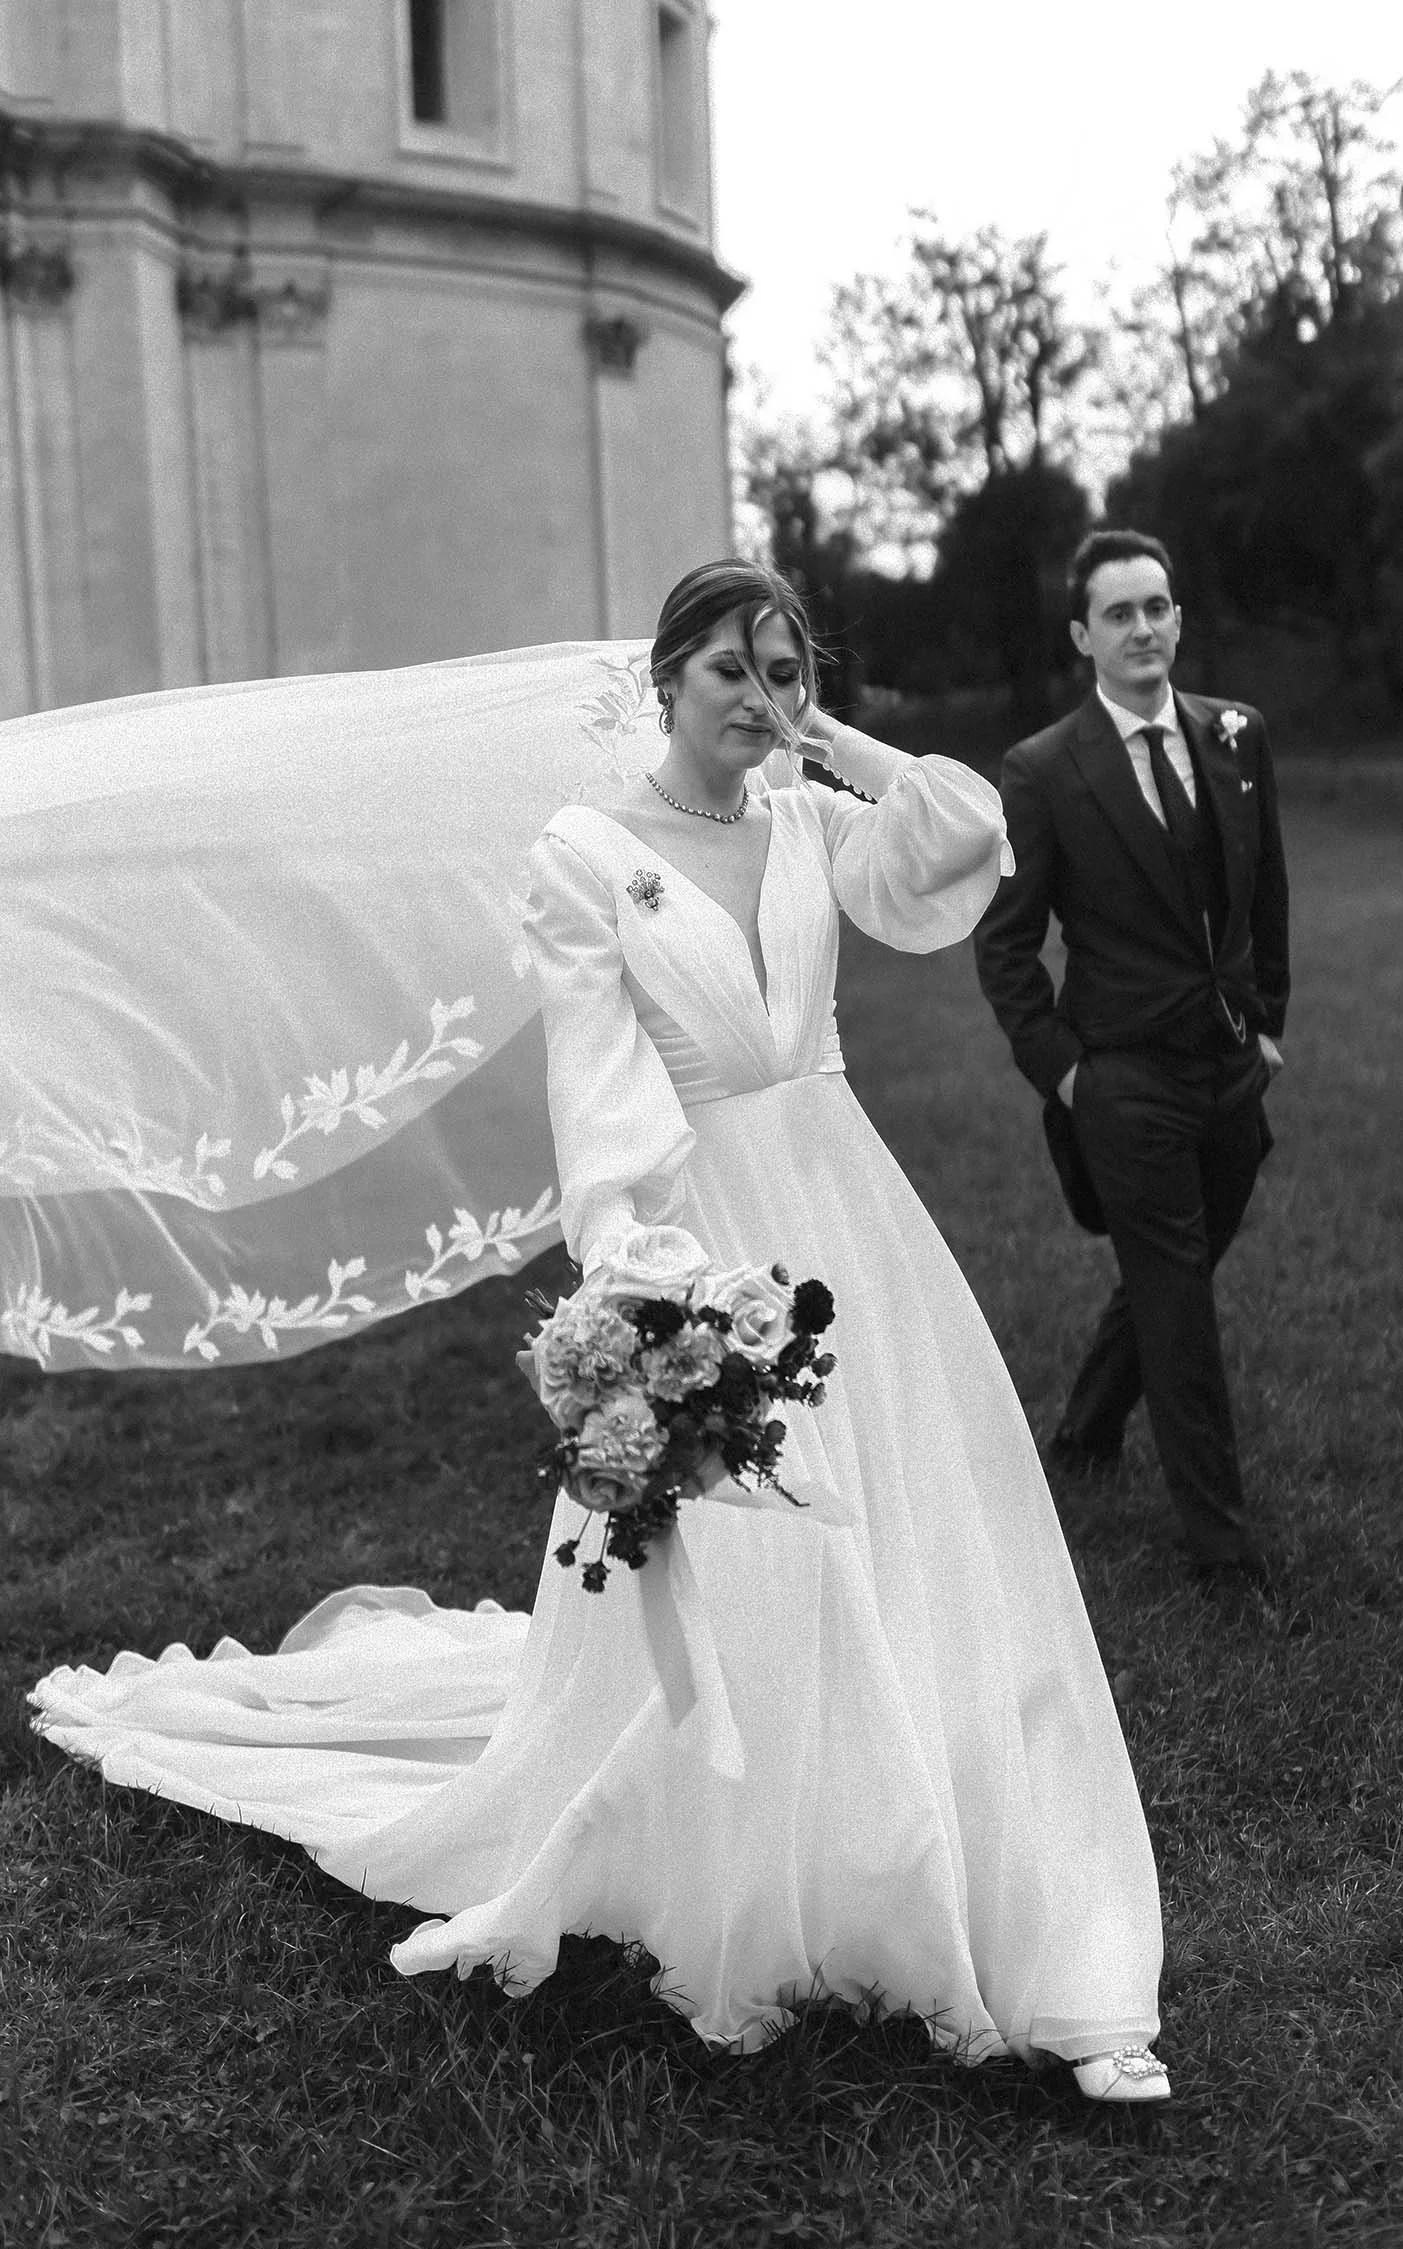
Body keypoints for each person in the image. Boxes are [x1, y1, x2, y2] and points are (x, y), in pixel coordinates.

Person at [27, 561, 1168, 2102]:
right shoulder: (584, 853)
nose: (759, 703)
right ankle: (761, 1858)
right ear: (665, 680)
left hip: (853, 1210)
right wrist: (645, 1278)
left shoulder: (815, 820)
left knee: (912, 1519)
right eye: (733, 677)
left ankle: (987, 1871)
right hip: (707, 1216)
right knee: (765, 1542)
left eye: (784, 673)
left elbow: (966, 837)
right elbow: (596, 1073)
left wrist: (833, 741)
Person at [974, 529, 1290, 1589]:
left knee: (1184, 1263)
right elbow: (1006, 943)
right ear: (1082, 636)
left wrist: (1270, 1018)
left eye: (1157, 606)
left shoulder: (1238, 737)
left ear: (1179, 618)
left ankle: (1088, 1428)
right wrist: (1068, 1071)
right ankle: (1224, 1552)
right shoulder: (1045, 769)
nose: (1143, 627)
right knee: (1177, 1298)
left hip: (1232, 1063)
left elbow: (1266, 897)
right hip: (1123, 1079)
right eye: (1119, 613)